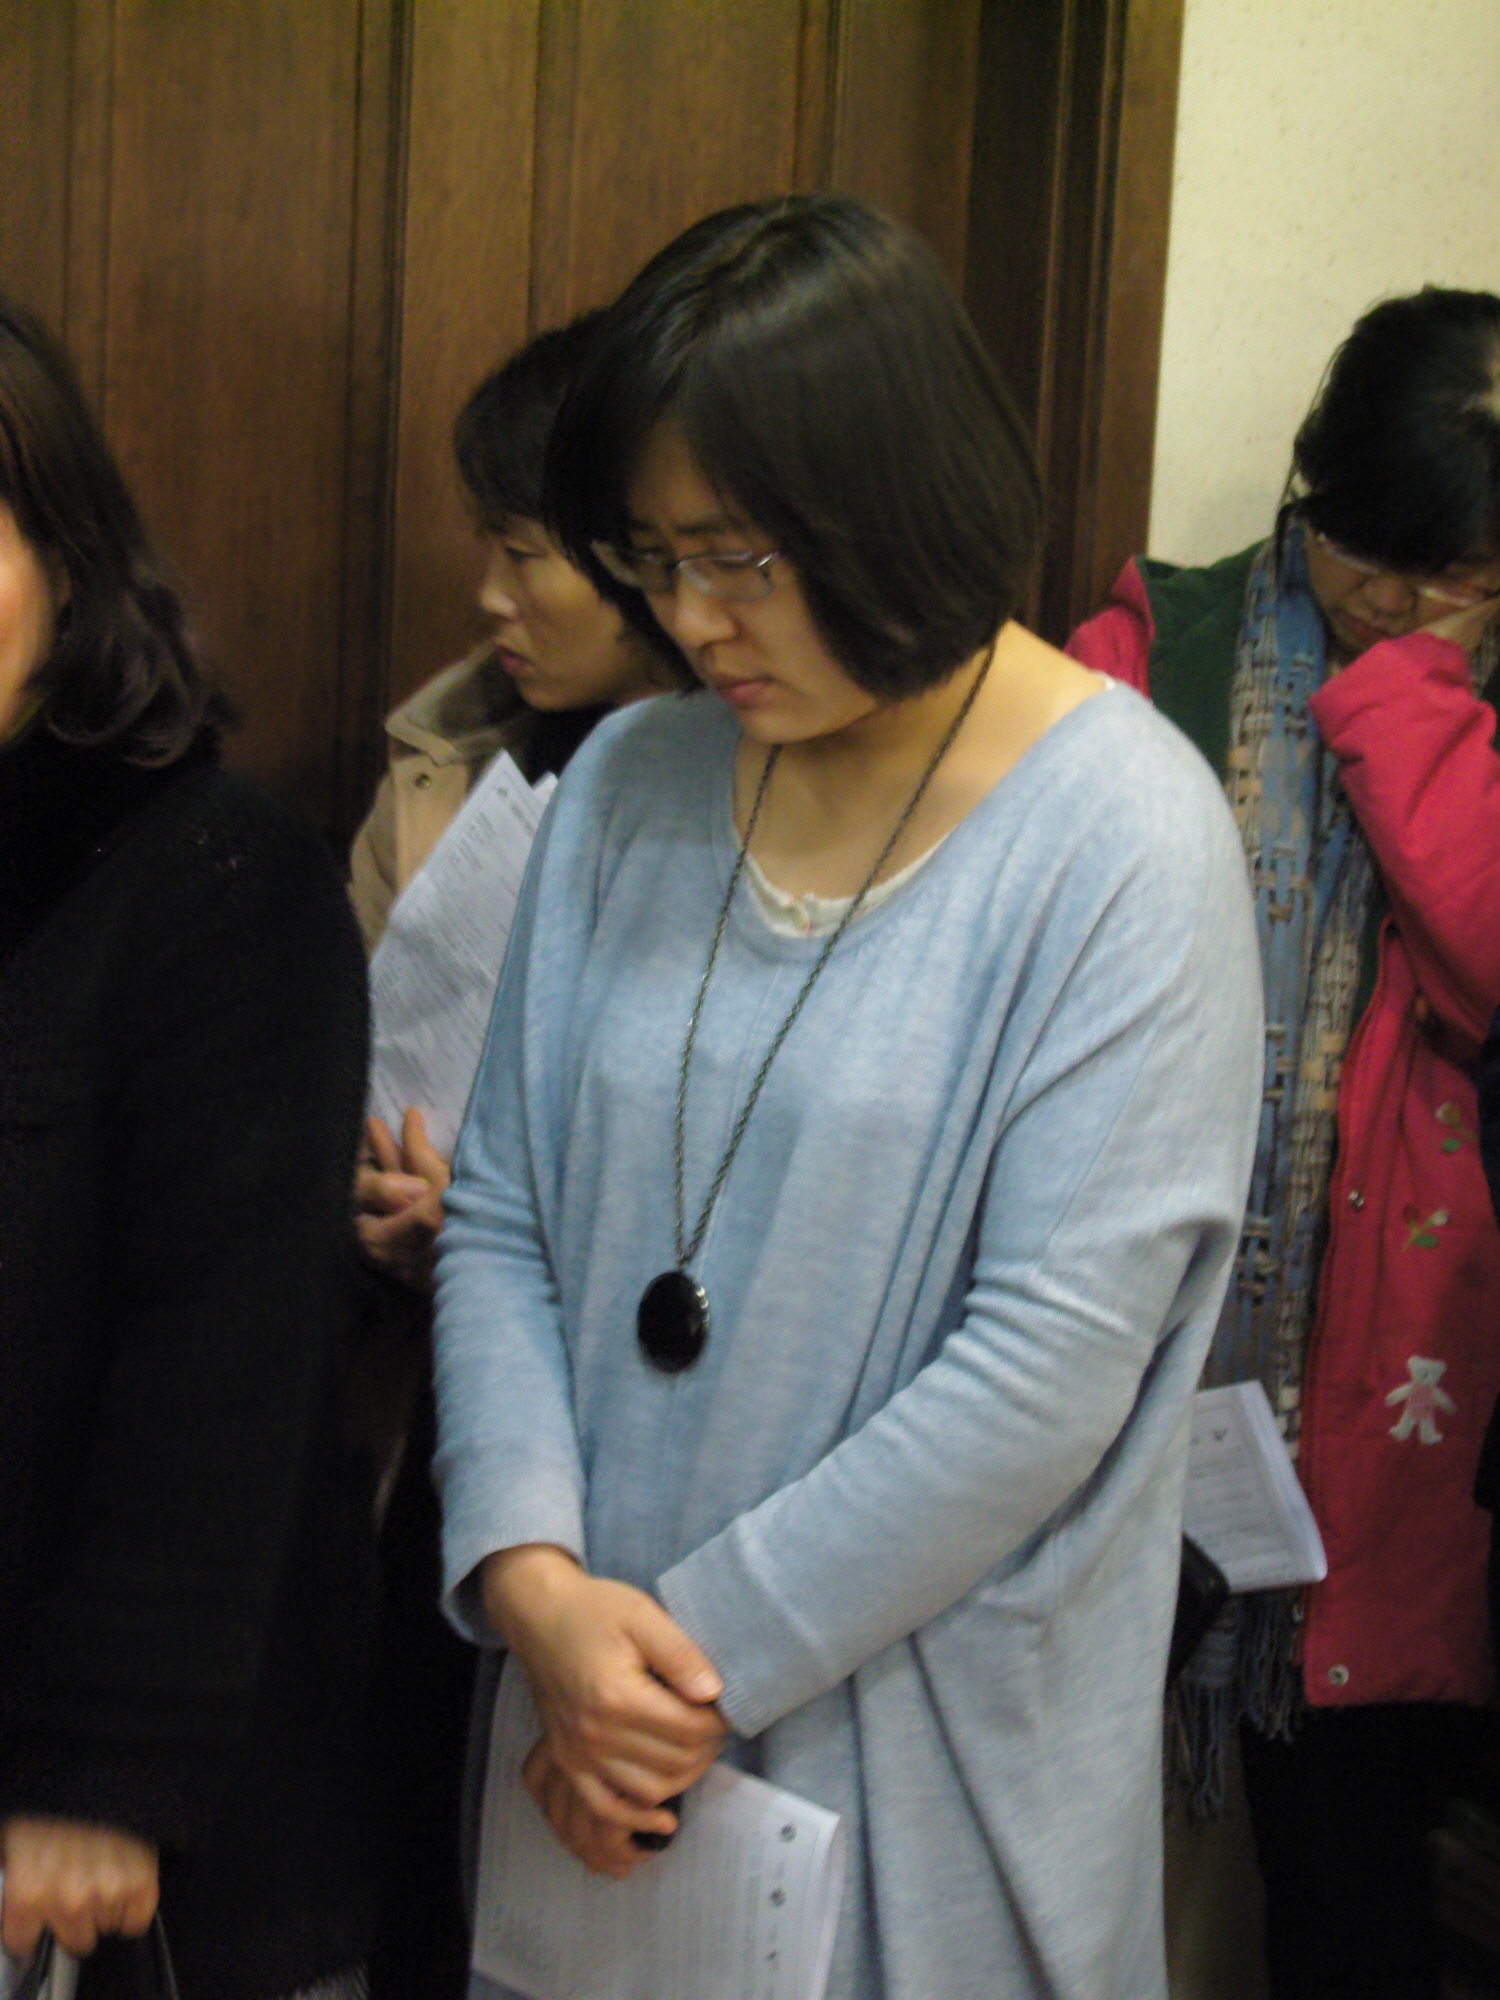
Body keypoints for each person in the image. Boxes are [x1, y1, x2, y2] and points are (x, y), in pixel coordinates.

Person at [432, 194, 1262, 2000]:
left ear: (899, 502)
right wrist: (533, 1589)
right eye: (654, 560)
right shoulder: (631, 780)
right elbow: (499, 1213)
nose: (693, 620)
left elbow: (1046, 1367)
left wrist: (673, 1673)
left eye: (739, 558)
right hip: (586, 1728)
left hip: (916, 1755)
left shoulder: (1126, 835)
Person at [1069, 286, 1500, 2000]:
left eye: (1454, 576)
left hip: (1404, 1381)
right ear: (1314, 478)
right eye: (1366, 555)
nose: (1394, 601)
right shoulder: (1155, 649)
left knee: (1362, 1873)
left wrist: (1408, 693)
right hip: (1147, 1358)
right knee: (1076, 1830)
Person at [0, 297, 379, 1998]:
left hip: (85, 1827)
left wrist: (101, 1770)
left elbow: (221, 1364)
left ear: (67, 560)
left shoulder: (215, 878)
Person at [347, 315, 680, 2000]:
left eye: (525, 551)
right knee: (426, 1851)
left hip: (639, 1457)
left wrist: (498, 1222)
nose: (488, 596)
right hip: (440, 1434)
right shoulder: (450, 773)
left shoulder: (741, 802)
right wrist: (389, 1209)